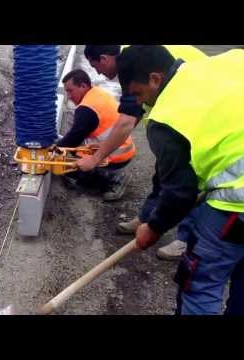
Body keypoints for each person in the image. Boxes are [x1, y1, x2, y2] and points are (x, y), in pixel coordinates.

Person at [117, 45, 244, 314]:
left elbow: (180, 191)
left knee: (201, 284)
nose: (141, 104)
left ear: (155, 78)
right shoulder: (233, 60)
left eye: (138, 94)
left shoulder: (166, 116)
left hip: (235, 208)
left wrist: (152, 228)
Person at [79, 45, 207, 260]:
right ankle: (147, 218)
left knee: (192, 178)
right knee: (163, 172)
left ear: (104, 58)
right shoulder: (135, 58)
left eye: (96, 67)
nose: (99, 73)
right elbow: (133, 113)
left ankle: (185, 238)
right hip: (186, 111)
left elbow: (126, 122)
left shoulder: (136, 65)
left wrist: (96, 158)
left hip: (197, 120)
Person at [57, 69, 135, 201]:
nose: (69, 96)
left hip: (117, 156)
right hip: (122, 148)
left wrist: (53, 150)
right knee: (75, 153)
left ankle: (114, 179)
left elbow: (72, 140)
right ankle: (105, 175)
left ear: (83, 86)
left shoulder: (87, 109)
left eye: (70, 90)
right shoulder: (95, 93)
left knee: (75, 169)